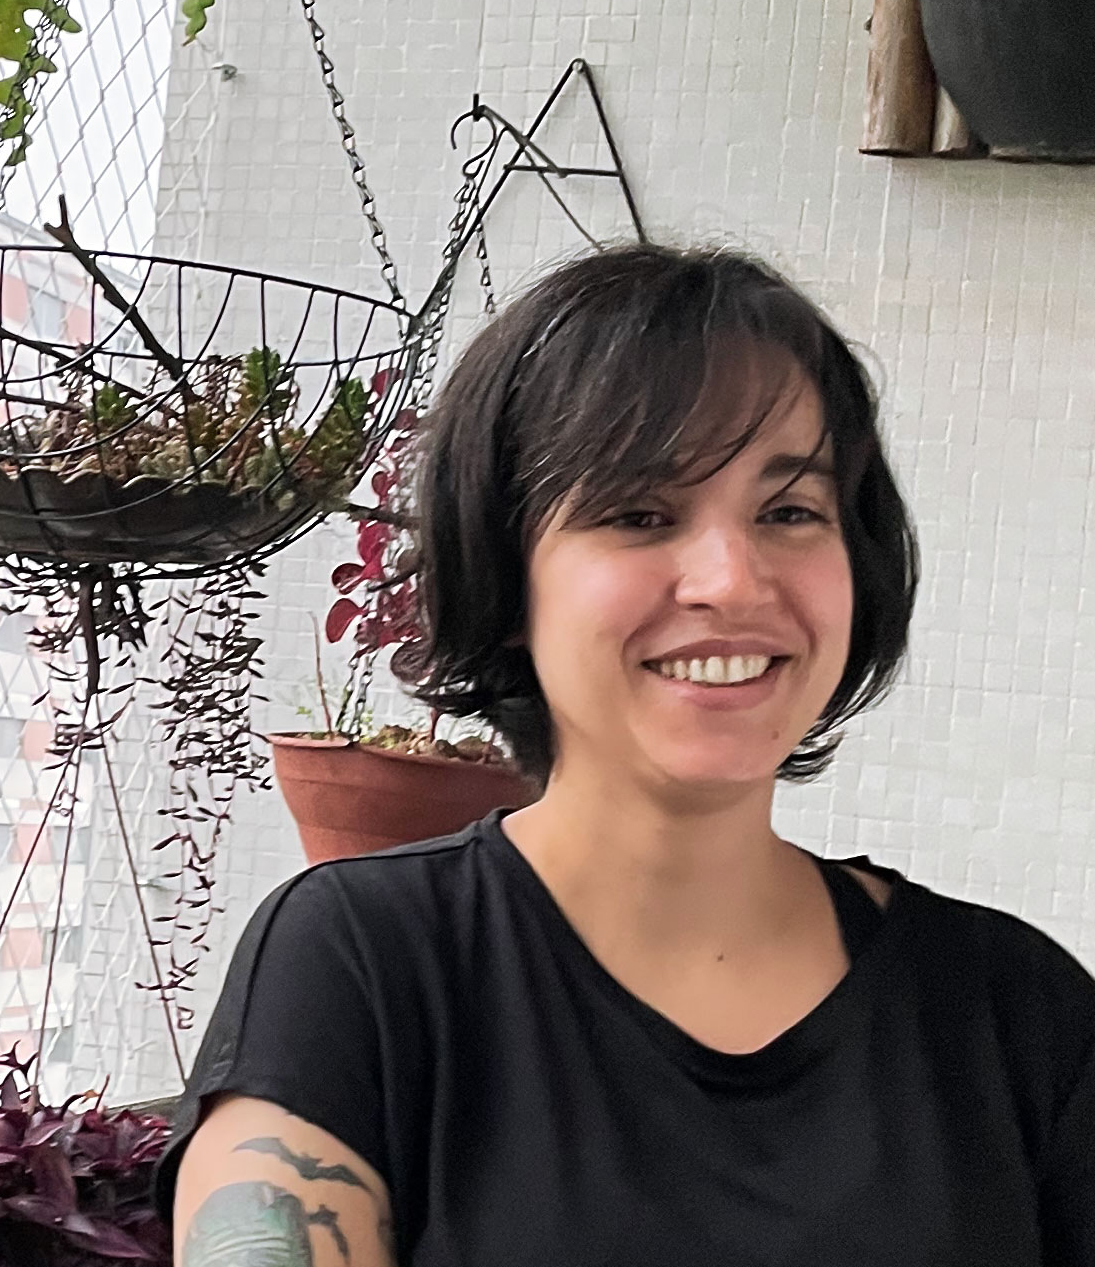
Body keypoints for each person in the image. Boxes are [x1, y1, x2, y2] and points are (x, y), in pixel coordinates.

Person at [154, 243, 1095, 1266]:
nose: (732, 580)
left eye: (789, 511)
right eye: (639, 513)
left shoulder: (1013, 1008)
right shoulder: (366, 962)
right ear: (510, 582)